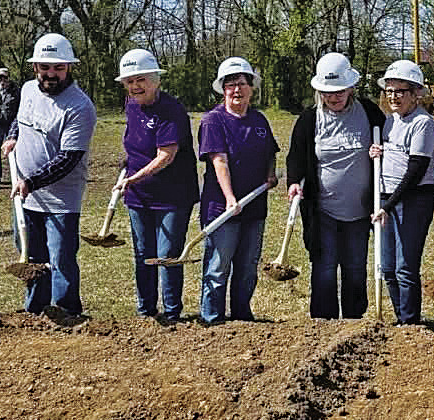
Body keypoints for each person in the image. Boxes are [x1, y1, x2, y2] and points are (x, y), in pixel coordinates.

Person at [4, 34, 97, 318]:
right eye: (45, 67)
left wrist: (31, 182)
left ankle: (67, 314)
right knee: (33, 260)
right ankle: (35, 314)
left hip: (60, 201)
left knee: (61, 261)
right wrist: (12, 136)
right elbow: (20, 119)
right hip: (25, 196)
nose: (51, 73)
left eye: (59, 67)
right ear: (35, 67)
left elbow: (68, 158)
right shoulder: (28, 89)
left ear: (69, 67)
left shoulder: (80, 106)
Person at [287, 53, 385, 319]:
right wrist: (294, 182)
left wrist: (382, 150)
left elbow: (390, 142)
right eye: (328, 92)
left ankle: (354, 319)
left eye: (340, 90)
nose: (334, 97)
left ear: (351, 87)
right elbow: (296, 157)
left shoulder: (369, 113)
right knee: (324, 267)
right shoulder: (309, 119)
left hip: (360, 211)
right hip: (323, 212)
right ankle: (323, 320)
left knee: (355, 267)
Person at [114, 49, 199, 321]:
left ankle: (172, 314)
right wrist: (128, 165)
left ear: (156, 80)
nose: (135, 86)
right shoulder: (131, 105)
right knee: (143, 253)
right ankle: (146, 312)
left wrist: (133, 178)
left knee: (167, 255)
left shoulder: (172, 110)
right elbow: (135, 141)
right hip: (139, 195)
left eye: (141, 80)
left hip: (172, 195)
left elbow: (166, 155)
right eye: (130, 81)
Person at [197, 57, 279, 324]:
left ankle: (243, 318)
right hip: (222, 210)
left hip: (254, 207)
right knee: (218, 267)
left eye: (241, 83)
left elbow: (270, 152)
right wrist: (230, 198)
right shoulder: (213, 121)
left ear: (251, 87)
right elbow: (219, 161)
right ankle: (212, 318)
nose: (236, 90)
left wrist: (270, 173)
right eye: (230, 85)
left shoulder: (259, 120)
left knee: (247, 267)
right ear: (222, 90)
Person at [368, 59, 434, 325]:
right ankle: (401, 320)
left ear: (416, 93)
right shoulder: (390, 121)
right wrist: (379, 152)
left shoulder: (422, 124)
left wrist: (387, 206)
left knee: (404, 266)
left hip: (413, 198)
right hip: (386, 196)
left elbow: (416, 171)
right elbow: (394, 154)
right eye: (389, 91)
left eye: (400, 91)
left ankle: (410, 322)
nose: (393, 97)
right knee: (387, 267)